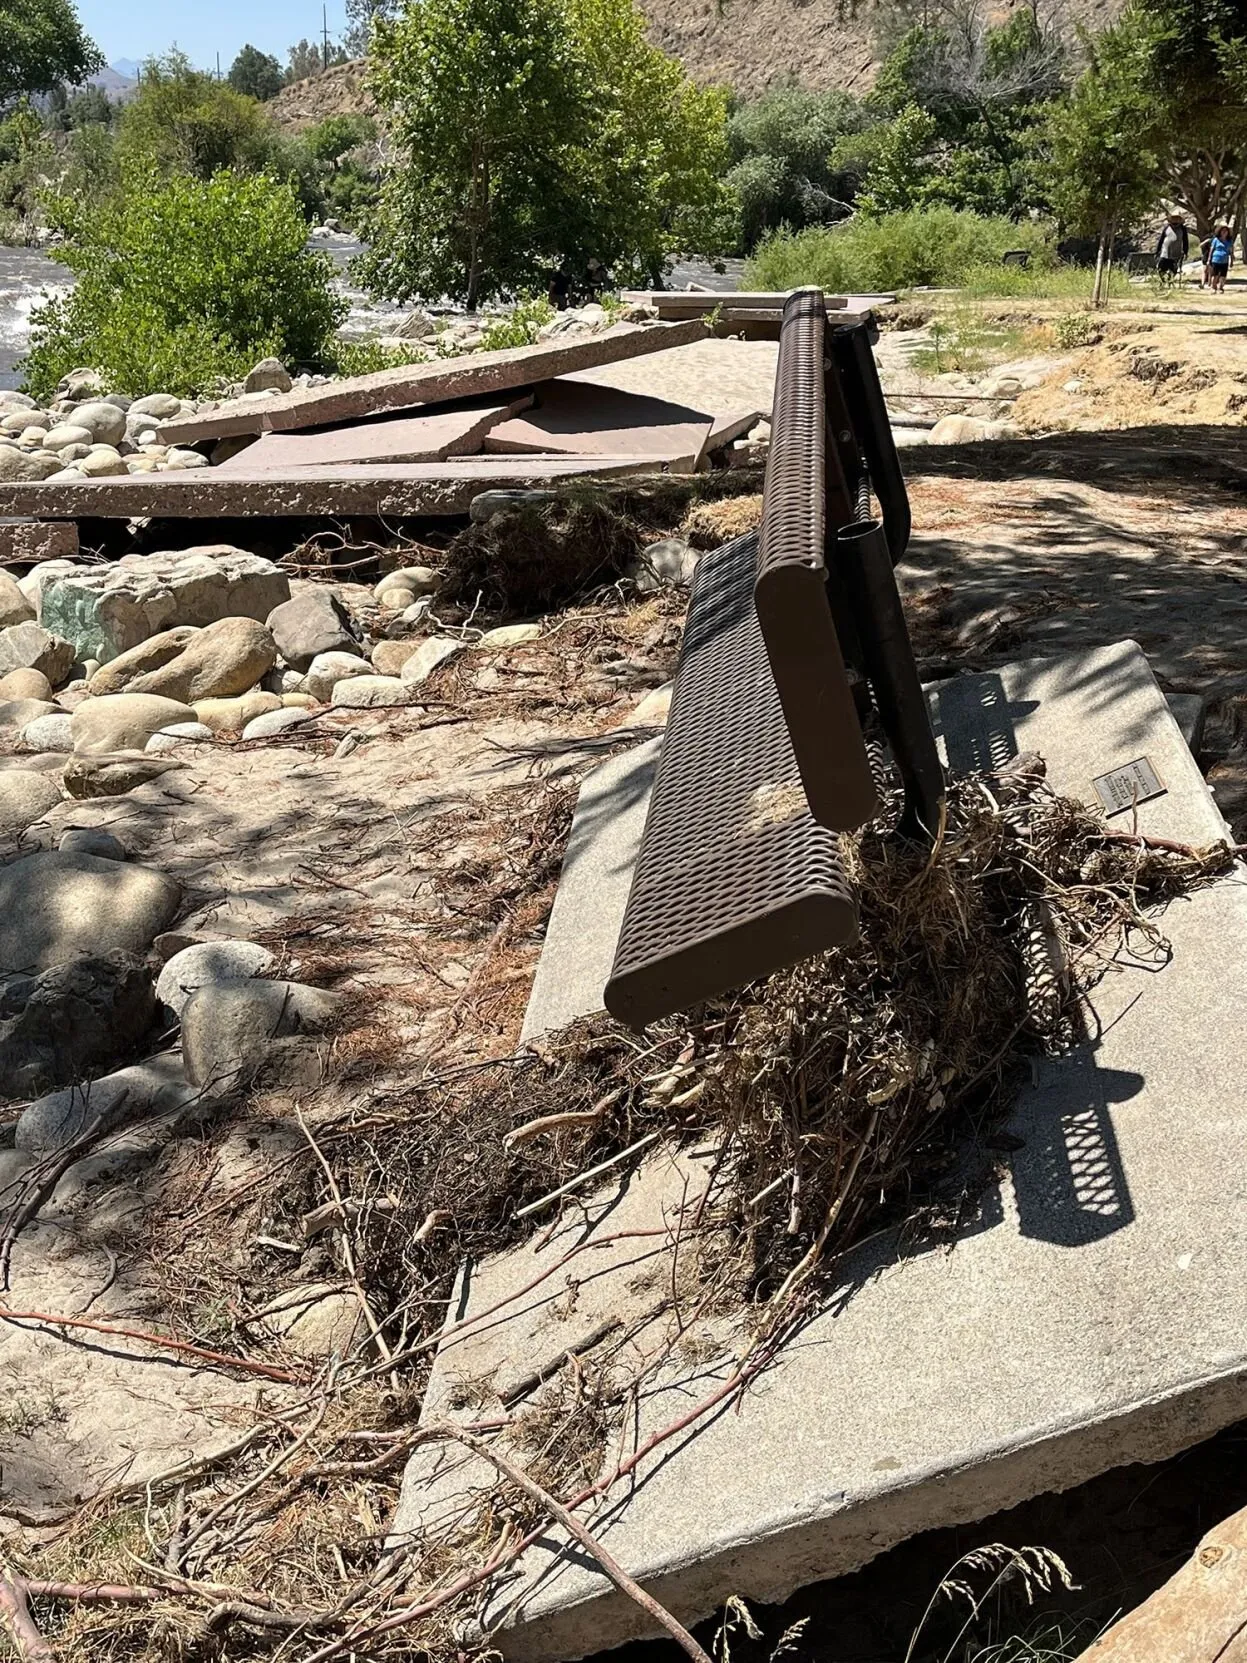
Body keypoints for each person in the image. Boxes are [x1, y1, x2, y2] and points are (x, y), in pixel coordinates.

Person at [1155, 213, 1189, 281]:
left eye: (1177, 218)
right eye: (1173, 218)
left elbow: (1185, 241)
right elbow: (1161, 240)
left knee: (1173, 269)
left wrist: (1185, 252)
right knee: (1160, 268)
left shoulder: (1182, 229)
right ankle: (1163, 281)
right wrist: (1157, 251)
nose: (1175, 220)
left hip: (1176, 253)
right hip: (1165, 253)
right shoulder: (1167, 228)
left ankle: (1170, 280)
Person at [1208, 222, 1233, 291]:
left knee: (1223, 275)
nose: (1224, 232)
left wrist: (1232, 260)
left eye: (1226, 231)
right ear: (1220, 231)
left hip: (1225, 260)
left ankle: (1221, 287)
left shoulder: (1229, 241)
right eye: (1223, 231)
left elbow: (1231, 251)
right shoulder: (1216, 240)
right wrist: (1209, 259)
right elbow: (1211, 249)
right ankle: (1213, 286)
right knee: (1215, 274)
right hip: (1216, 259)